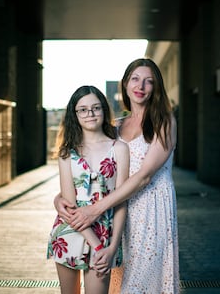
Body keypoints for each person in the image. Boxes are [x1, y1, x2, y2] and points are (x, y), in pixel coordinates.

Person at [55, 59, 181, 293]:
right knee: (117, 283)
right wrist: (59, 198)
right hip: (116, 214)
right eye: (135, 79)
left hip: (150, 211)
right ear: (125, 83)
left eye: (149, 81)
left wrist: (95, 209)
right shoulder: (115, 126)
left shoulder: (164, 122)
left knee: (144, 282)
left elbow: (144, 176)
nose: (140, 86)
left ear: (157, 88)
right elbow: (92, 172)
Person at [47, 85, 129, 294]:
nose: (90, 114)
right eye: (82, 109)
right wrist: (97, 245)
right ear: (74, 115)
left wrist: (111, 247)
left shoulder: (119, 148)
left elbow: (121, 201)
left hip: (105, 234)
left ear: (103, 110)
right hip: (70, 231)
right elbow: (69, 206)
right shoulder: (67, 152)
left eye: (95, 108)